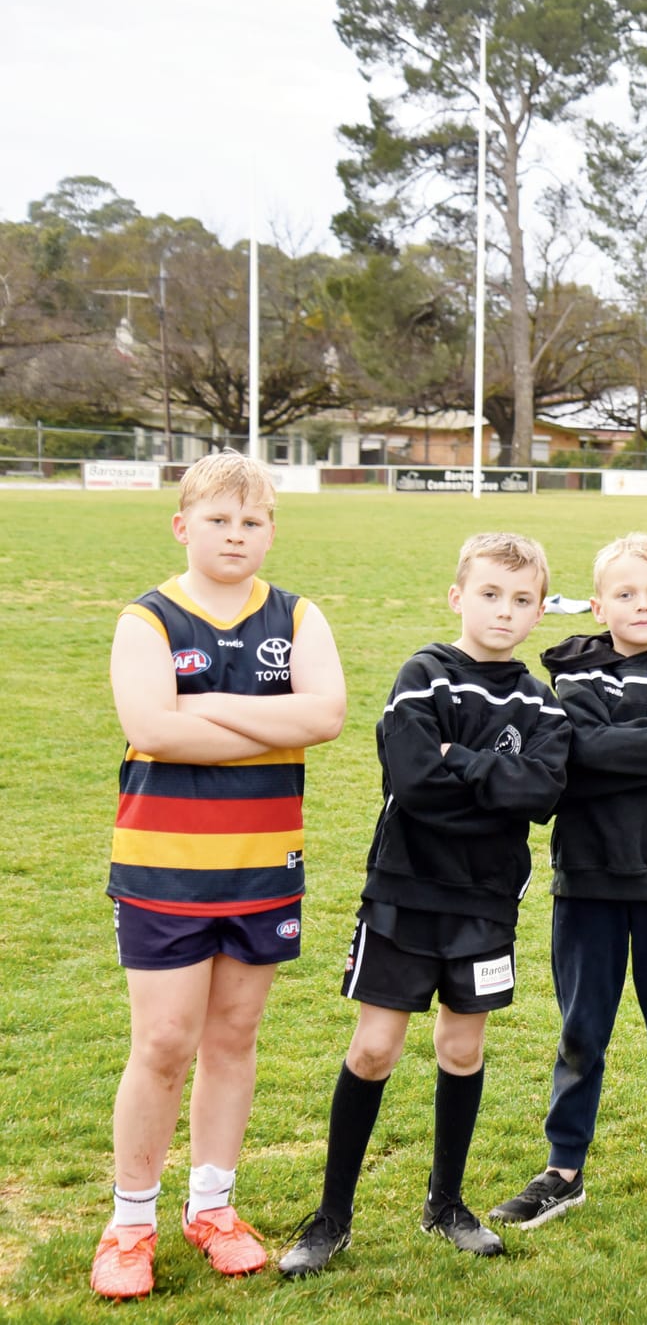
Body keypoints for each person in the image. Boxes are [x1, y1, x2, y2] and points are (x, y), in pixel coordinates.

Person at [278, 533, 570, 1277]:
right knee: (375, 1047)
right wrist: (493, 785)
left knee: (462, 1048)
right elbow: (413, 782)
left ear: (539, 609)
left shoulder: (539, 698)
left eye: (522, 600)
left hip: (485, 902)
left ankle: (446, 1203)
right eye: (490, 595)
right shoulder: (424, 675)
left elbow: (541, 794)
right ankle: (332, 1216)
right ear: (457, 596)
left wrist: (463, 765)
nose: (504, 612)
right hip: (404, 894)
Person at [94, 450, 347, 1300]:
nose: (236, 535)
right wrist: (269, 725)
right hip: (164, 868)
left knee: (233, 1040)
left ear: (271, 529)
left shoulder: (298, 615)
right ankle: (130, 1221)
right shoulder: (149, 619)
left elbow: (328, 715)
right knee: (164, 1043)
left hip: (262, 866)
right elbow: (153, 730)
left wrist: (205, 707)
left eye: (252, 521)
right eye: (218, 521)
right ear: (182, 526)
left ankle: (214, 1206)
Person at [488, 534, 647, 1240]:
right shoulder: (572, 677)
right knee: (581, 1032)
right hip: (587, 881)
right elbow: (588, 756)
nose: (641, 605)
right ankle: (562, 1170)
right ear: (598, 603)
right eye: (626, 594)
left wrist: (639, 751)